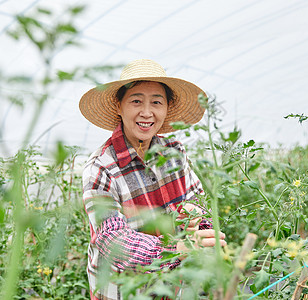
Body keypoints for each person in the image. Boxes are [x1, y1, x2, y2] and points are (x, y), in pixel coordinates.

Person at [79, 59, 226, 300]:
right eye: (136, 101)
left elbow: (197, 198)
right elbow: (112, 239)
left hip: (172, 286)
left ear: (167, 108)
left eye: (156, 102)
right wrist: (175, 250)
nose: (146, 113)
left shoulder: (175, 152)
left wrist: (198, 219)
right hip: (123, 290)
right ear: (119, 106)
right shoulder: (101, 168)